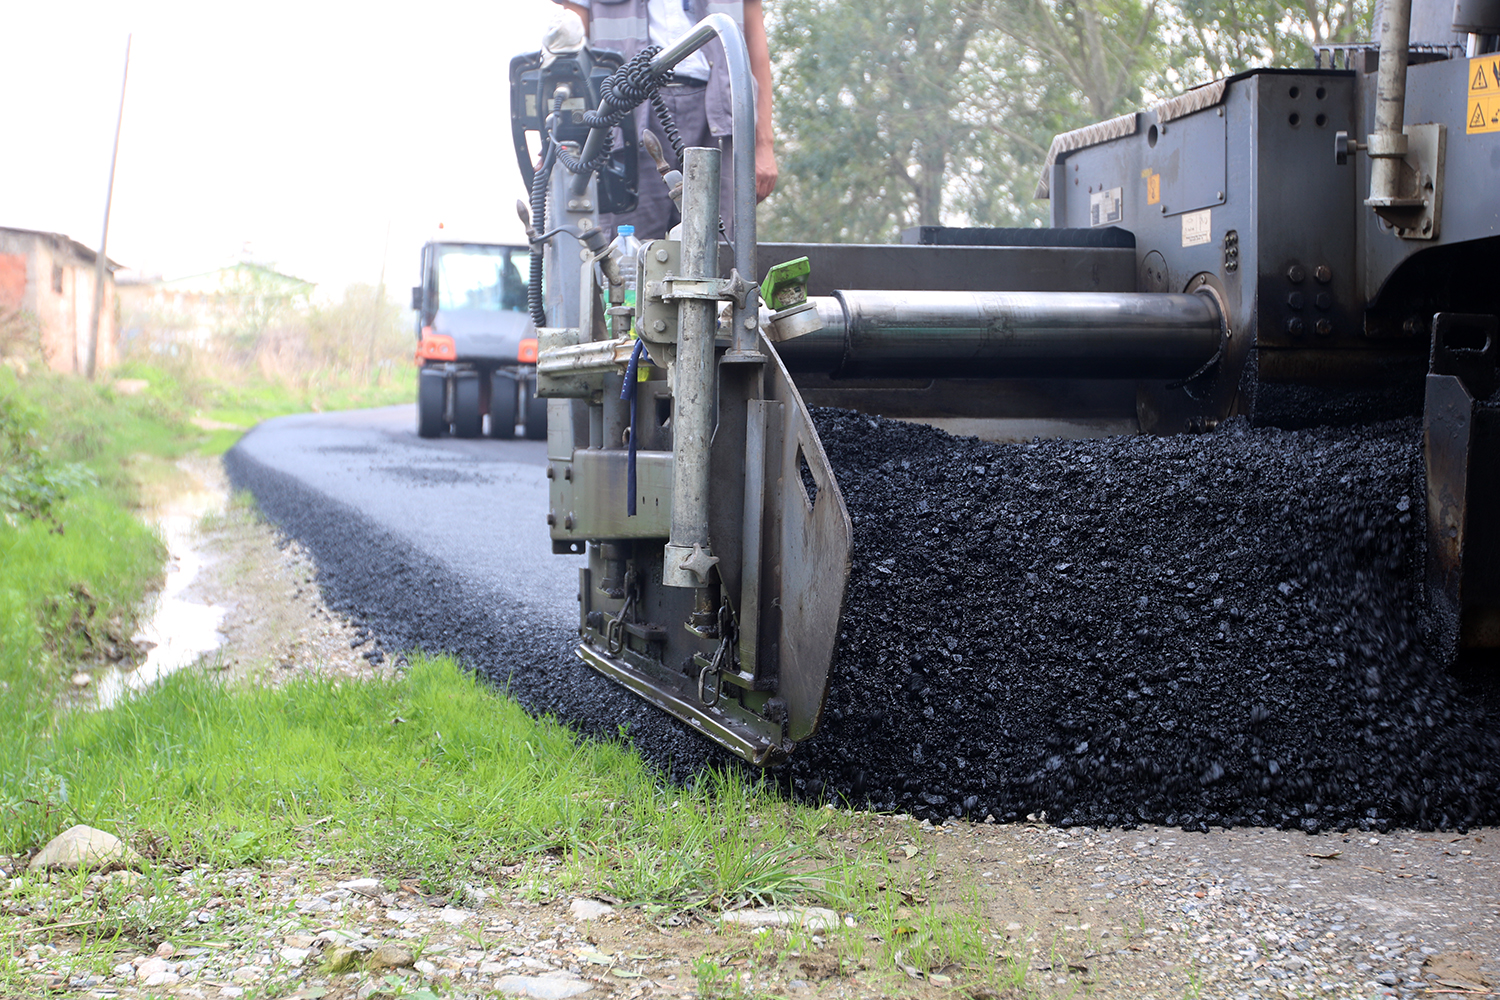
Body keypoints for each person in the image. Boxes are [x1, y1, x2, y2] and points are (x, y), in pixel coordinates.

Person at [553, 0, 777, 240]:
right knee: (629, 250)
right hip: (626, 115)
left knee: (718, 250)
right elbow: (566, 51)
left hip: (719, 115)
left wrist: (763, 146)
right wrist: (559, 141)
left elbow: (755, 45)